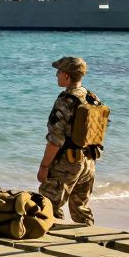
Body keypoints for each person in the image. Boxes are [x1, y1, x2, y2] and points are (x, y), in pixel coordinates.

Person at [37, 56, 100, 226]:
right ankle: (94, 245)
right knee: (81, 210)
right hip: (88, 162)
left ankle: (53, 245)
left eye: (58, 72)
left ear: (66, 76)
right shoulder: (91, 97)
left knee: (48, 206)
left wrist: (44, 167)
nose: (56, 75)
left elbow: (55, 140)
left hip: (67, 165)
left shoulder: (65, 101)